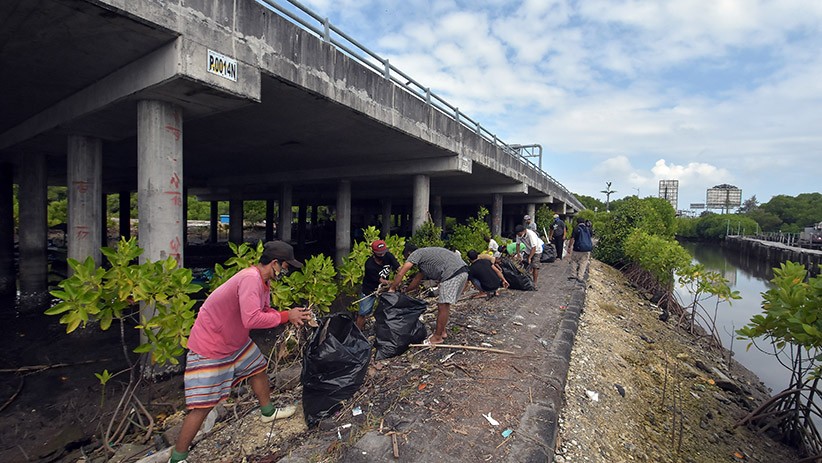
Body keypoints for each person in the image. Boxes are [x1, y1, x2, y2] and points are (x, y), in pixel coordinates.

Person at [168, 241, 313, 463]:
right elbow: (251, 318)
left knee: (258, 368)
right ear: (274, 263)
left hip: (235, 341)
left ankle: (268, 413)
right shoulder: (250, 279)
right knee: (202, 406)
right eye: (285, 266)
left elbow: (263, 310)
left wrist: (290, 315)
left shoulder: (263, 282)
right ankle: (177, 458)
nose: (286, 271)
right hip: (212, 346)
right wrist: (285, 316)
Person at [388, 244, 468, 346]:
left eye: (405, 257)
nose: (406, 260)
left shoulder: (416, 253)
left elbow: (401, 273)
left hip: (452, 273)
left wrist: (392, 288)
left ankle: (437, 337)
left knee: (442, 305)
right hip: (462, 271)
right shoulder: (425, 261)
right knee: (445, 305)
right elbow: (417, 280)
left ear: (408, 253)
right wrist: (406, 290)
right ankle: (442, 332)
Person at [355, 240, 400, 330]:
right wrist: (391, 283)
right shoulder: (369, 264)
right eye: (379, 254)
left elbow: (399, 268)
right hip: (370, 289)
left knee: (389, 308)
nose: (382, 255)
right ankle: (357, 332)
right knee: (363, 312)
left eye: (383, 252)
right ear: (373, 253)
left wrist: (399, 278)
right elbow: (381, 280)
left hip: (384, 289)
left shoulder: (389, 256)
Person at [567, 217, 594, 283]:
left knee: (574, 261)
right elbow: (590, 237)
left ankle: (573, 275)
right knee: (583, 263)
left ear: (577, 222)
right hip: (587, 249)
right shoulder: (588, 229)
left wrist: (569, 247)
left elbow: (572, 239)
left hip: (577, 249)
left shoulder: (576, 229)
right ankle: (580, 277)